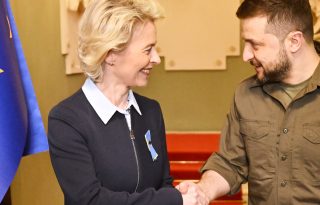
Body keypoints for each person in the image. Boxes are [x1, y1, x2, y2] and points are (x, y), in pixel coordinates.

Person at [177, 0, 320, 204]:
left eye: (255, 45)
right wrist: (203, 191)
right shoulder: (245, 94)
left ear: (294, 41)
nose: (245, 55)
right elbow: (230, 163)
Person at [48, 0, 204, 204]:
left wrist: (176, 194)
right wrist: (173, 200)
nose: (156, 58)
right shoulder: (67, 120)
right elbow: (90, 200)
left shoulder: (151, 111)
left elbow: (163, 184)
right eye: (148, 50)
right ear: (111, 54)